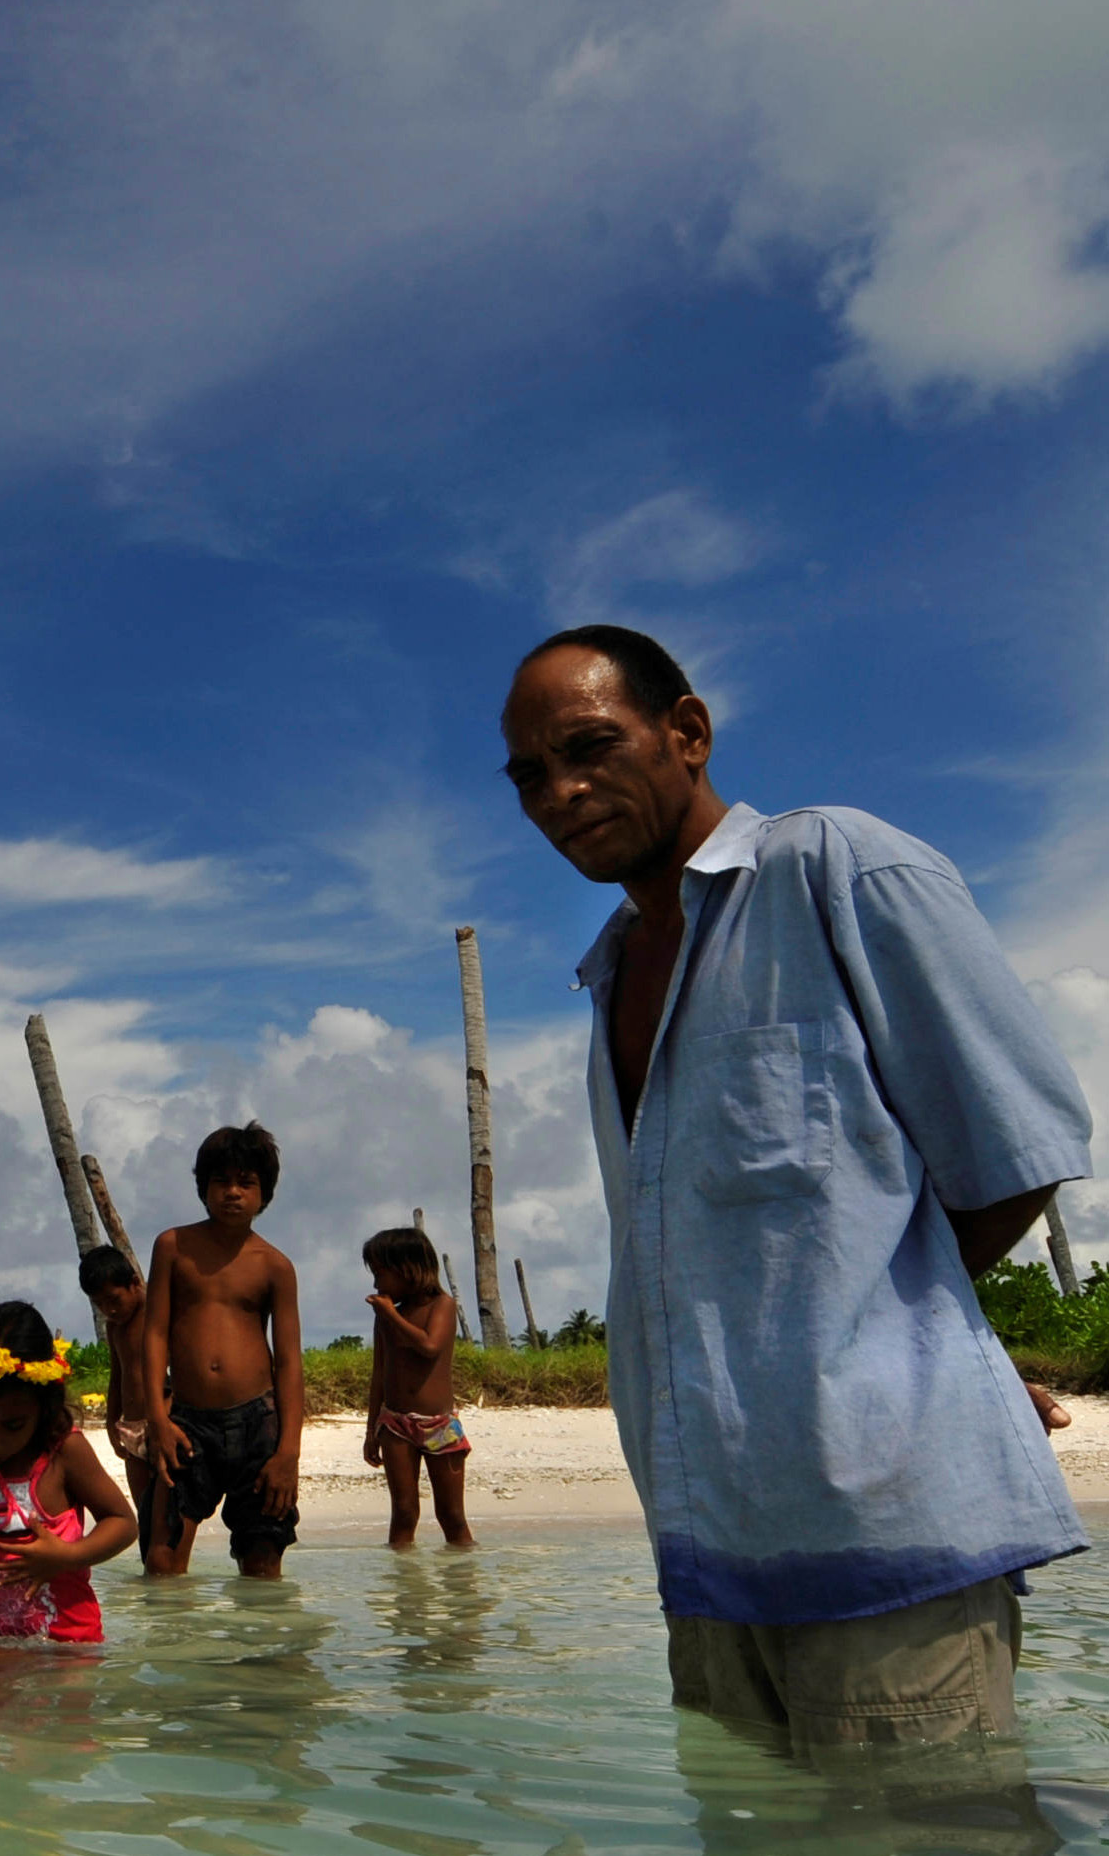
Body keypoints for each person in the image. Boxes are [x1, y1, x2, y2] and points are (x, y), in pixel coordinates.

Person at [502, 622, 1090, 1756]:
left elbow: (1016, 1143)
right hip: (710, 1558)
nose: (560, 792)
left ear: (686, 732)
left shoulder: (832, 870)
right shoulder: (612, 966)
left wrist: (883, 1330)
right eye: (531, 775)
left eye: (589, 746)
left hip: (888, 1543)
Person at [139, 1123, 304, 1580]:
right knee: (163, 1559)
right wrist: (157, 1417)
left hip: (259, 1423)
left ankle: (259, 1649)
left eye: (246, 1183)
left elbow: (289, 1362)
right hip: (187, 1422)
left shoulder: (275, 1266)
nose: (233, 1192)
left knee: (263, 1562)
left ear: (264, 1193)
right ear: (204, 1188)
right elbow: (154, 1335)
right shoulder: (173, 1247)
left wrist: (288, 1451)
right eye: (221, 1181)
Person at [0, 1302, 134, 1646]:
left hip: (69, 1648)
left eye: (13, 1425)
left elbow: (123, 1522)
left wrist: (68, 1557)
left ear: (44, 1407)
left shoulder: (62, 1454)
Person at [359, 1226, 473, 1552]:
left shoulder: (442, 1306)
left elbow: (429, 1346)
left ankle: (464, 1591)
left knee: (451, 1515)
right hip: (395, 1424)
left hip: (439, 1424)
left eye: (381, 1274)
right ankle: (406, 1594)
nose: (376, 1284)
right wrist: (371, 1430)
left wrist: (390, 1315)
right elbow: (379, 1374)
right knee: (404, 1513)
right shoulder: (387, 1315)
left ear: (407, 1269)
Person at [76, 1244, 157, 1561]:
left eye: (114, 1299)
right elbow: (117, 1377)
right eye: (99, 1304)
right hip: (131, 1426)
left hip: (161, 1424)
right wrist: (112, 1422)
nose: (109, 1309)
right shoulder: (114, 1329)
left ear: (135, 1284)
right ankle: (151, 1569)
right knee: (145, 1513)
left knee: (166, 1511)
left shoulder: (156, 1316)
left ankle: (167, 1573)